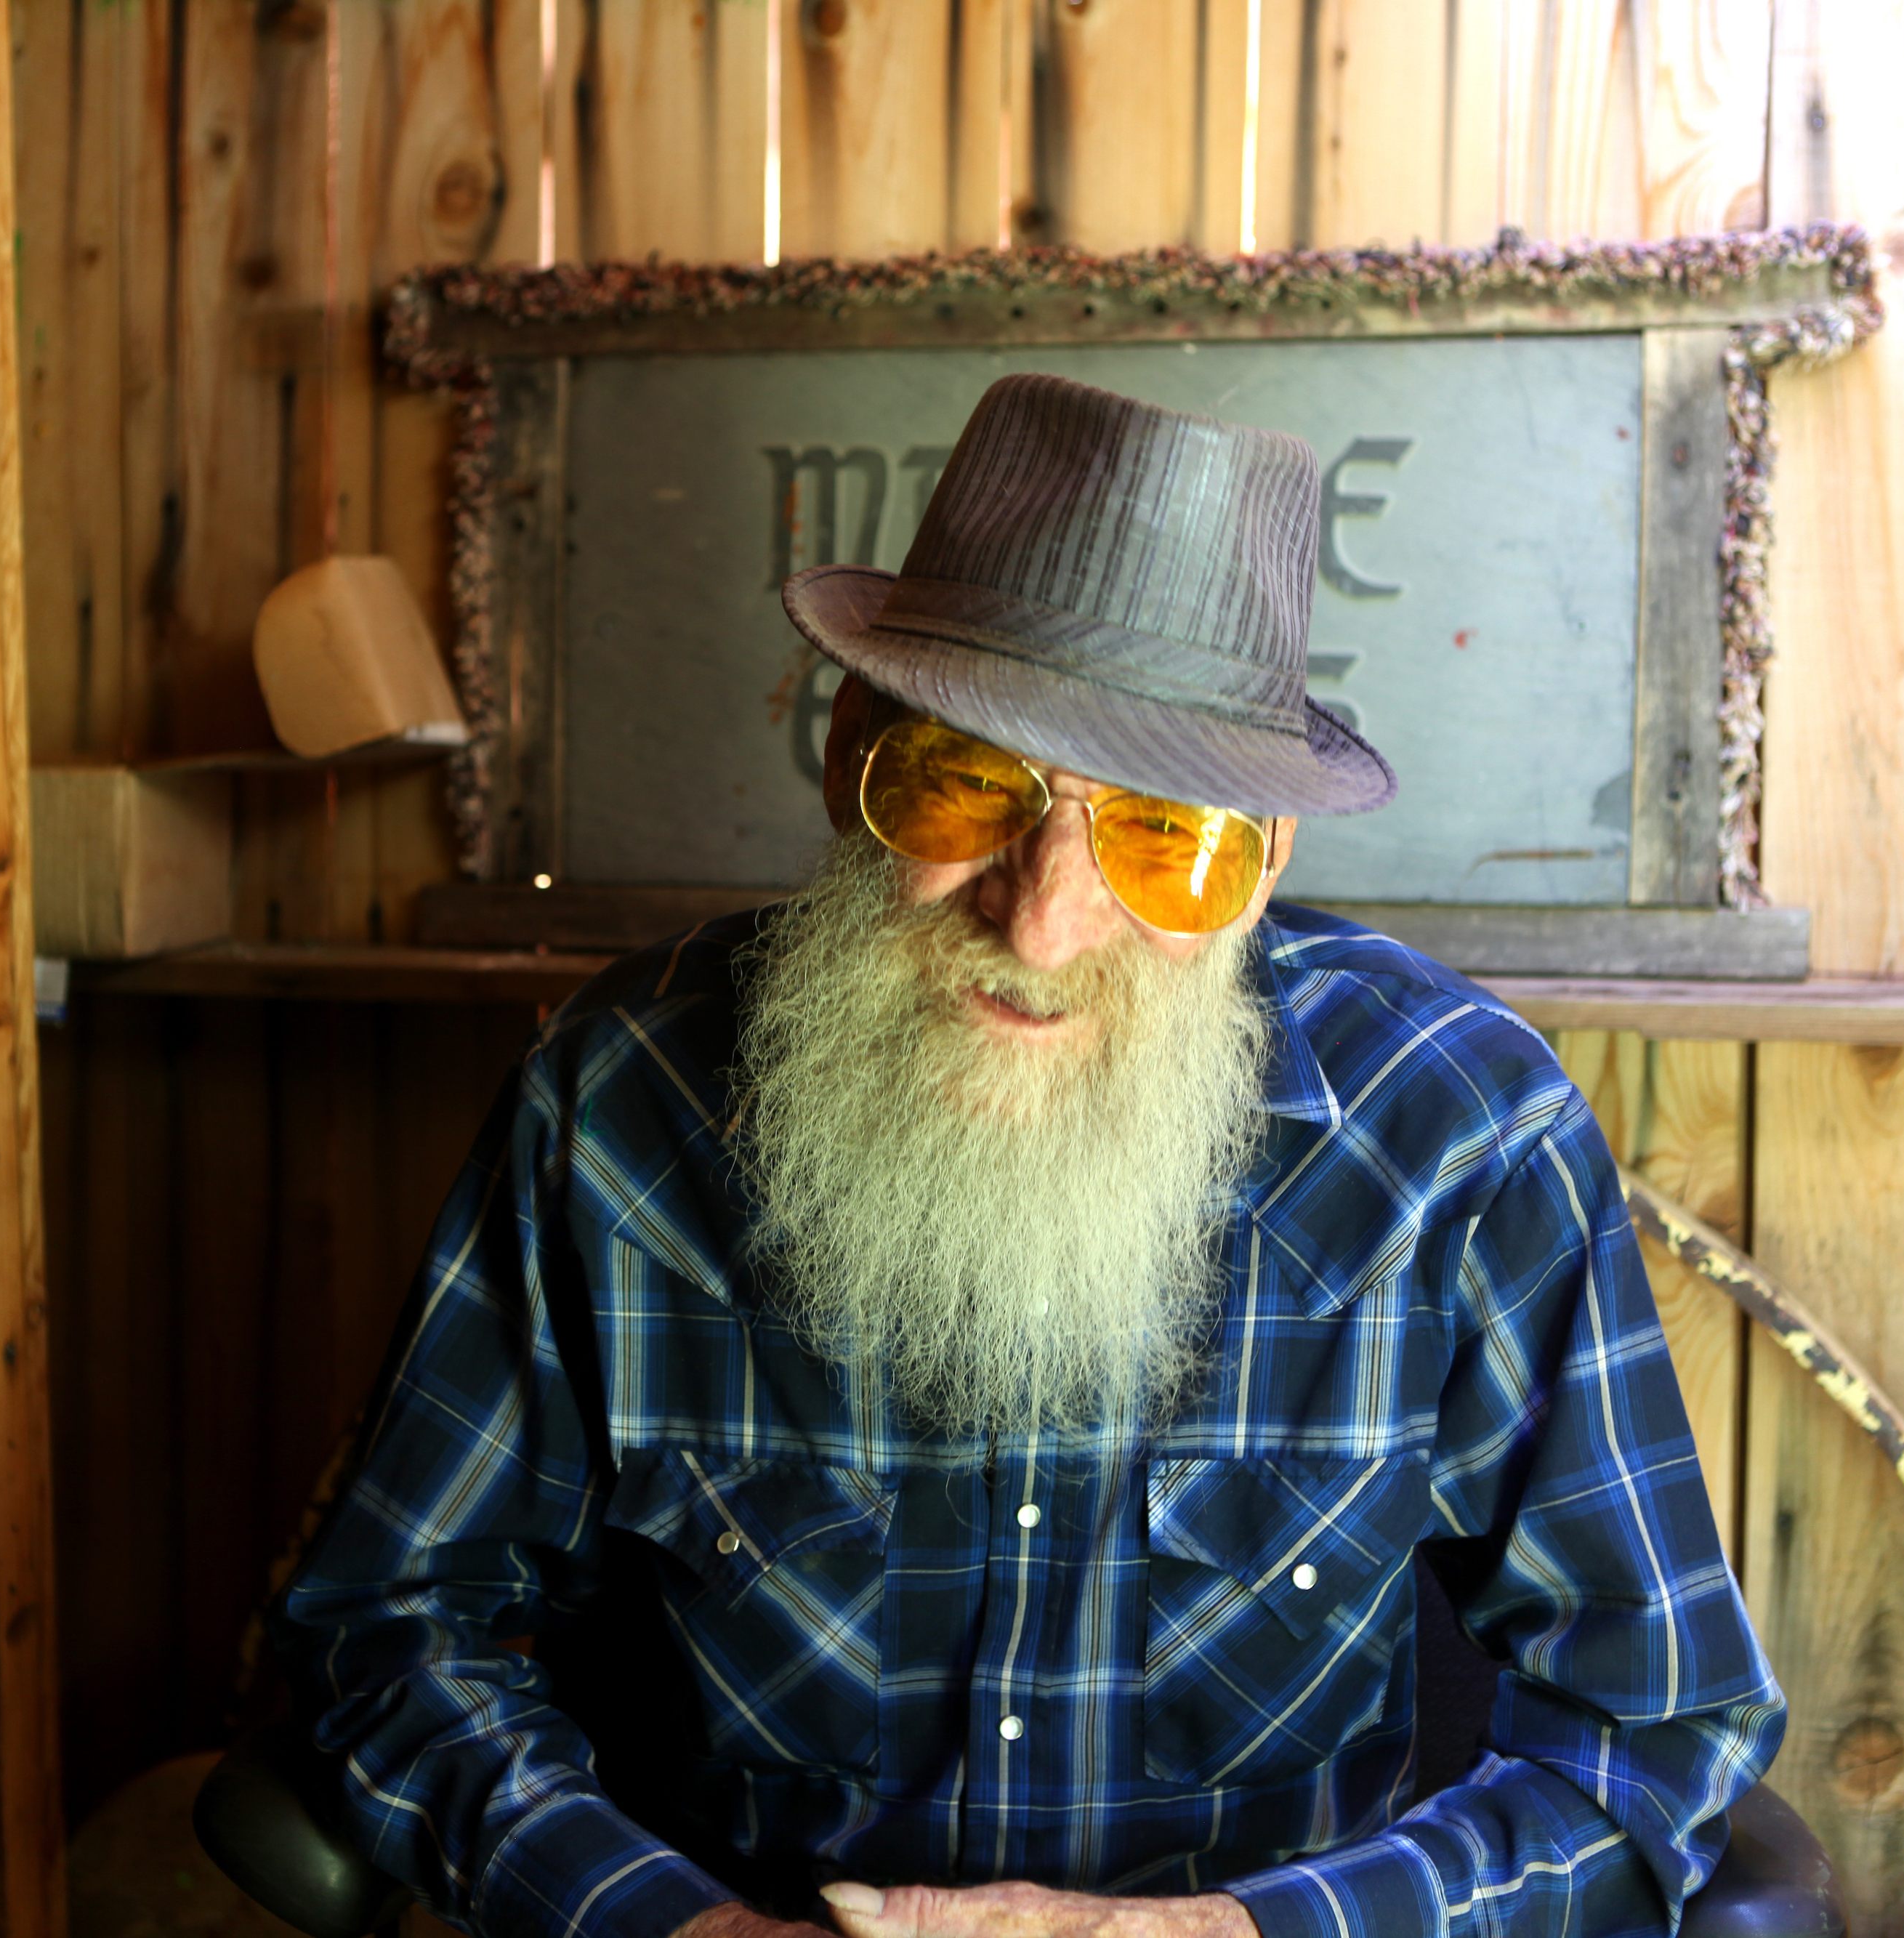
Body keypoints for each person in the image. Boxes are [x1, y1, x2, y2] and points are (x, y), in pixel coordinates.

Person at [270, 374, 1783, 1938]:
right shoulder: (615, 1107)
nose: (1041, 919)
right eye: (966, 782)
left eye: (1157, 838)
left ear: (1261, 863)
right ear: (847, 746)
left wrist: (1227, 1937)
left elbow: (1650, 1730)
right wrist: (680, 1930)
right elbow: (386, 1632)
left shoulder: (1456, 1138)